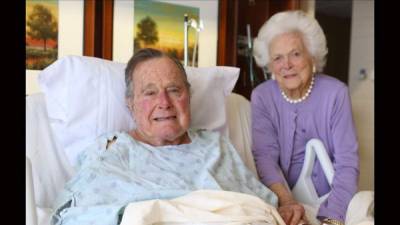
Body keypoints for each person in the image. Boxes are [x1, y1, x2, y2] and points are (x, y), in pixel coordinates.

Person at [50, 48, 279, 225]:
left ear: (188, 96)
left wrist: (286, 207)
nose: (164, 103)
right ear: (131, 104)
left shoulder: (215, 145)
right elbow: (76, 216)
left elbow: (261, 206)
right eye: (150, 93)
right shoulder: (111, 151)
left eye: (174, 90)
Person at [251, 10, 359, 225]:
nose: (286, 64)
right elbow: (265, 157)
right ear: (269, 64)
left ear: (312, 56)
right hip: (281, 200)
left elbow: (347, 162)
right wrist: (287, 202)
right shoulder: (262, 96)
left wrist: (332, 217)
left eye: (295, 54)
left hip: (330, 201)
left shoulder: (335, 93)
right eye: (278, 58)